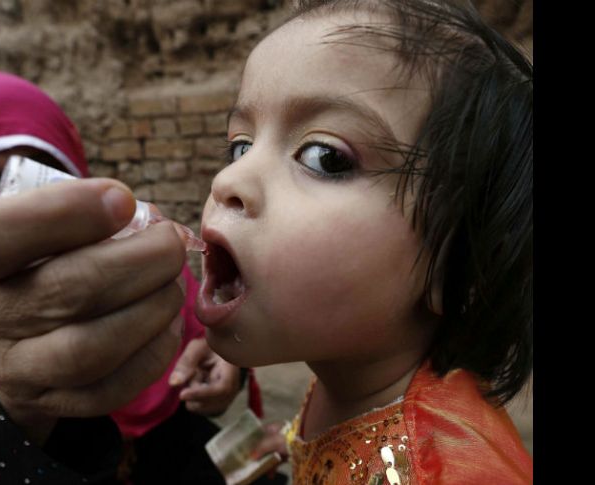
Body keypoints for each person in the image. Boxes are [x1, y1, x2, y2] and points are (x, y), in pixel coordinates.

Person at [194, 0, 532, 484]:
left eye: (324, 157)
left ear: (456, 262)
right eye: (241, 146)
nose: (230, 179)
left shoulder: (452, 470)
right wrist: (292, 441)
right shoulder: (348, 366)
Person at [0, 69, 255, 484]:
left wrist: (226, 364)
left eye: (36, 169)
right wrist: (7, 399)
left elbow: (199, 341)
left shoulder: (137, 265)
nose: (18, 197)